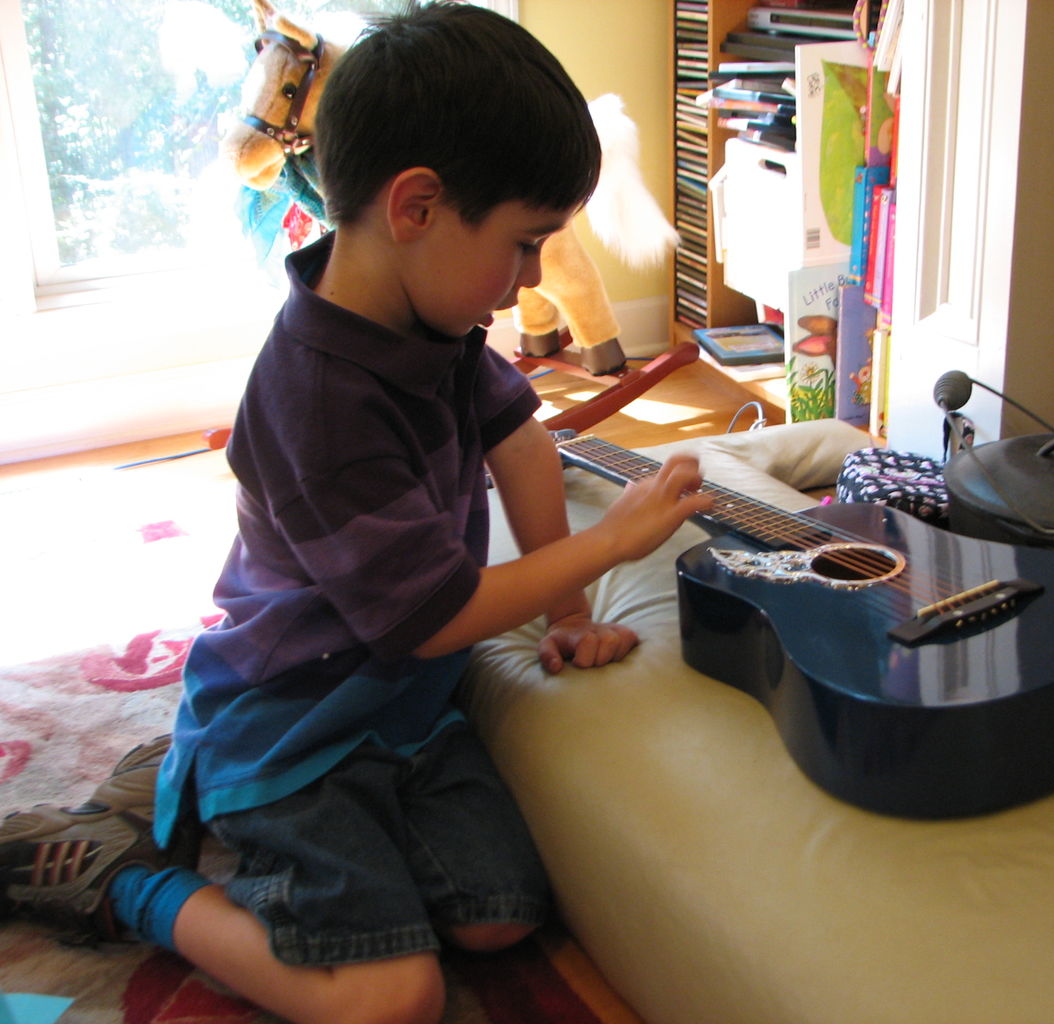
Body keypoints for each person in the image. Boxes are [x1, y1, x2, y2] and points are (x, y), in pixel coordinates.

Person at [0, 5, 712, 1023]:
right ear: (416, 205)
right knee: (391, 998)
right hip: (295, 717)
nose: (527, 284)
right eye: (523, 245)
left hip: (401, 711)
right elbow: (430, 616)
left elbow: (516, 436)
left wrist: (568, 608)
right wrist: (610, 539)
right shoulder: (319, 394)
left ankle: (191, 782)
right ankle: (126, 874)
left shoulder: (433, 319)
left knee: (499, 915)